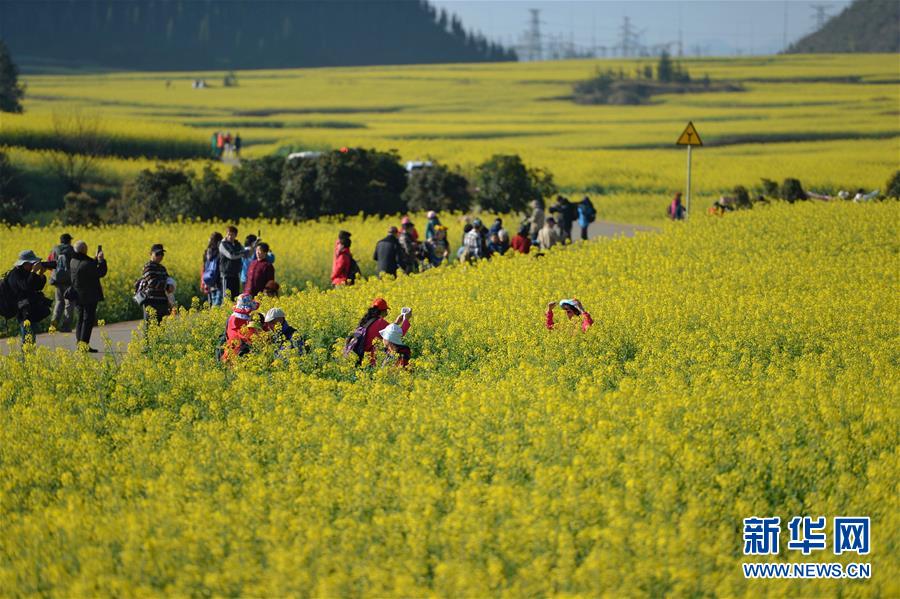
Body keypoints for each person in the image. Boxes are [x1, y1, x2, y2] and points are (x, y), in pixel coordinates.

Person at [69, 240, 107, 352]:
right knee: (87, 320)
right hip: (89, 296)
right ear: (85, 250)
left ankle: (79, 343)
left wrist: (95, 259)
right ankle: (84, 345)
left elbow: (86, 265)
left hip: (77, 294)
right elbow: (101, 272)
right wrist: (101, 260)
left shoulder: (73, 261)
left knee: (80, 319)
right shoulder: (87, 264)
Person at [5, 250, 51, 343]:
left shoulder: (26, 272)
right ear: (25, 263)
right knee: (28, 337)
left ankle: (30, 355)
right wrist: (33, 271)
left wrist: (41, 274)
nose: (33, 265)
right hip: (22, 310)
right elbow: (26, 286)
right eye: (32, 263)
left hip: (30, 308)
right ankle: (26, 356)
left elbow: (38, 287)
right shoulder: (15, 274)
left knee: (31, 336)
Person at [355, 298, 410, 366]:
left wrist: (396, 323)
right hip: (371, 360)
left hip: (361, 356)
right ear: (382, 311)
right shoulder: (380, 322)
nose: (387, 312)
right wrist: (406, 320)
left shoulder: (366, 321)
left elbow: (390, 331)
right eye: (386, 310)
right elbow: (398, 333)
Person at [222, 294, 262, 361]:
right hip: (239, 357)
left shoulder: (231, 318)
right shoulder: (244, 321)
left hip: (229, 356)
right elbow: (251, 338)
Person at [137, 244, 170, 324]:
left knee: (162, 329)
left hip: (162, 302)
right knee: (151, 328)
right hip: (151, 302)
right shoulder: (148, 267)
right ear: (151, 254)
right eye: (157, 254)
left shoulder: (162, 268)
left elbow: (168, 280)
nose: (160, 256)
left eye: (162, 254)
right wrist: (167, 286)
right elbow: (152, 282)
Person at [48, 233, 75, 332]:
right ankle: (66, 326)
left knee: (59, 302)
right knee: (69, 304)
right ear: (69, 241)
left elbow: (49, 263)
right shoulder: (71, 250)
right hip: (69, 281)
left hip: (57, 281)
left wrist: (55, 274)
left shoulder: (55, 249)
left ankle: (53, 326)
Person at [218, 226, 247, 301]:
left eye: (232, 235)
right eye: (228, 234)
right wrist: (242, 254)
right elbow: (231, 255)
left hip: (236, 274)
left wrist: (254, 246)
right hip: (226, 275)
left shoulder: (238, 244)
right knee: (227, 298)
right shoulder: (223, 244)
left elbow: (246, 253)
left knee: (235, 298)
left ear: (236, 235)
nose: (230, 236)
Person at [201, 231, 224, 307]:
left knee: (214, 303)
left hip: (210, 280)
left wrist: (204, 282)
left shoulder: (207, 252)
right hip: (219, 281)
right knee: (217, 305)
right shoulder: (221, 251)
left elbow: (204, 268)